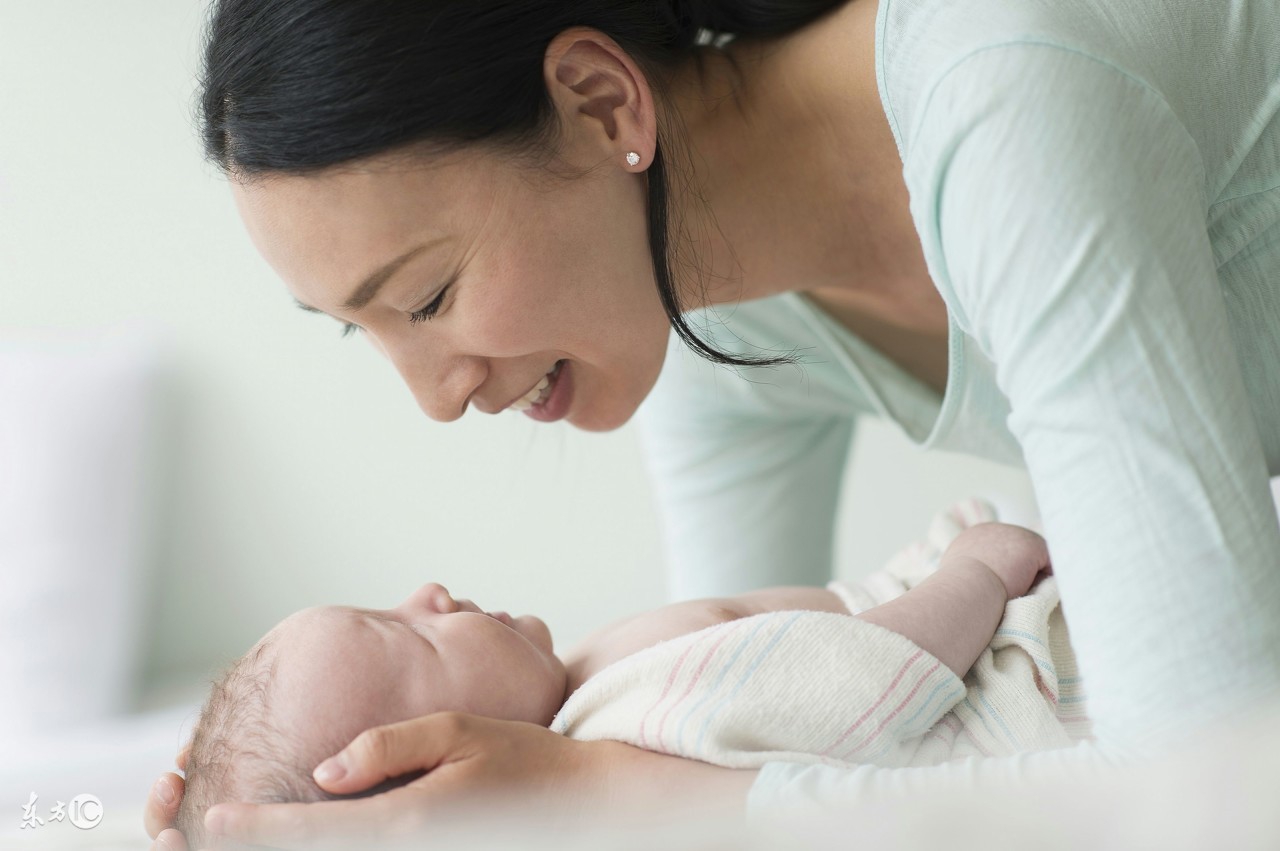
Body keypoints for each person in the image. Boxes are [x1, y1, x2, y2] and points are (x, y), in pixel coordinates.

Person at [147, 0, 1280, 847]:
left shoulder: (1006, 102)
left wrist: (587, 795)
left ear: (600, 101)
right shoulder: (705, 321)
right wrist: (268, 792)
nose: (434, 396)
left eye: (428, 298)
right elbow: (728, 719)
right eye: (364, 328)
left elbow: (1211, 791)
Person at [175, 524, 1051, 849]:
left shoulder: (592, 708)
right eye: (410, 636)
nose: (430, 595)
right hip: (1008, 660)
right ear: (450, 776)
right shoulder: (635, 710)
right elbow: (866, 683)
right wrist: (970, 574)